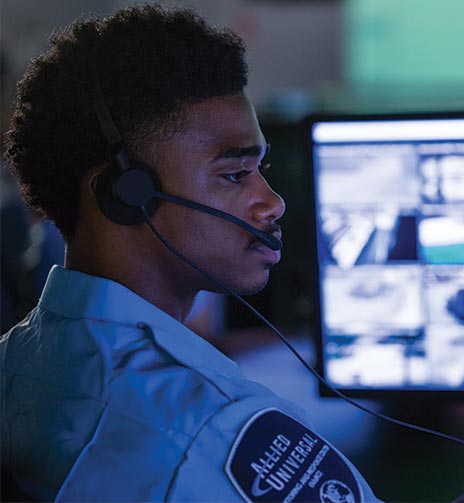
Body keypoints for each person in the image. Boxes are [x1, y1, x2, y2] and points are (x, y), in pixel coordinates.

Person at [0, 5, 382, 502]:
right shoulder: (218, 429)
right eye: (234, 174)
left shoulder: (14, 361)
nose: (272, 202)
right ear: (125, 193)